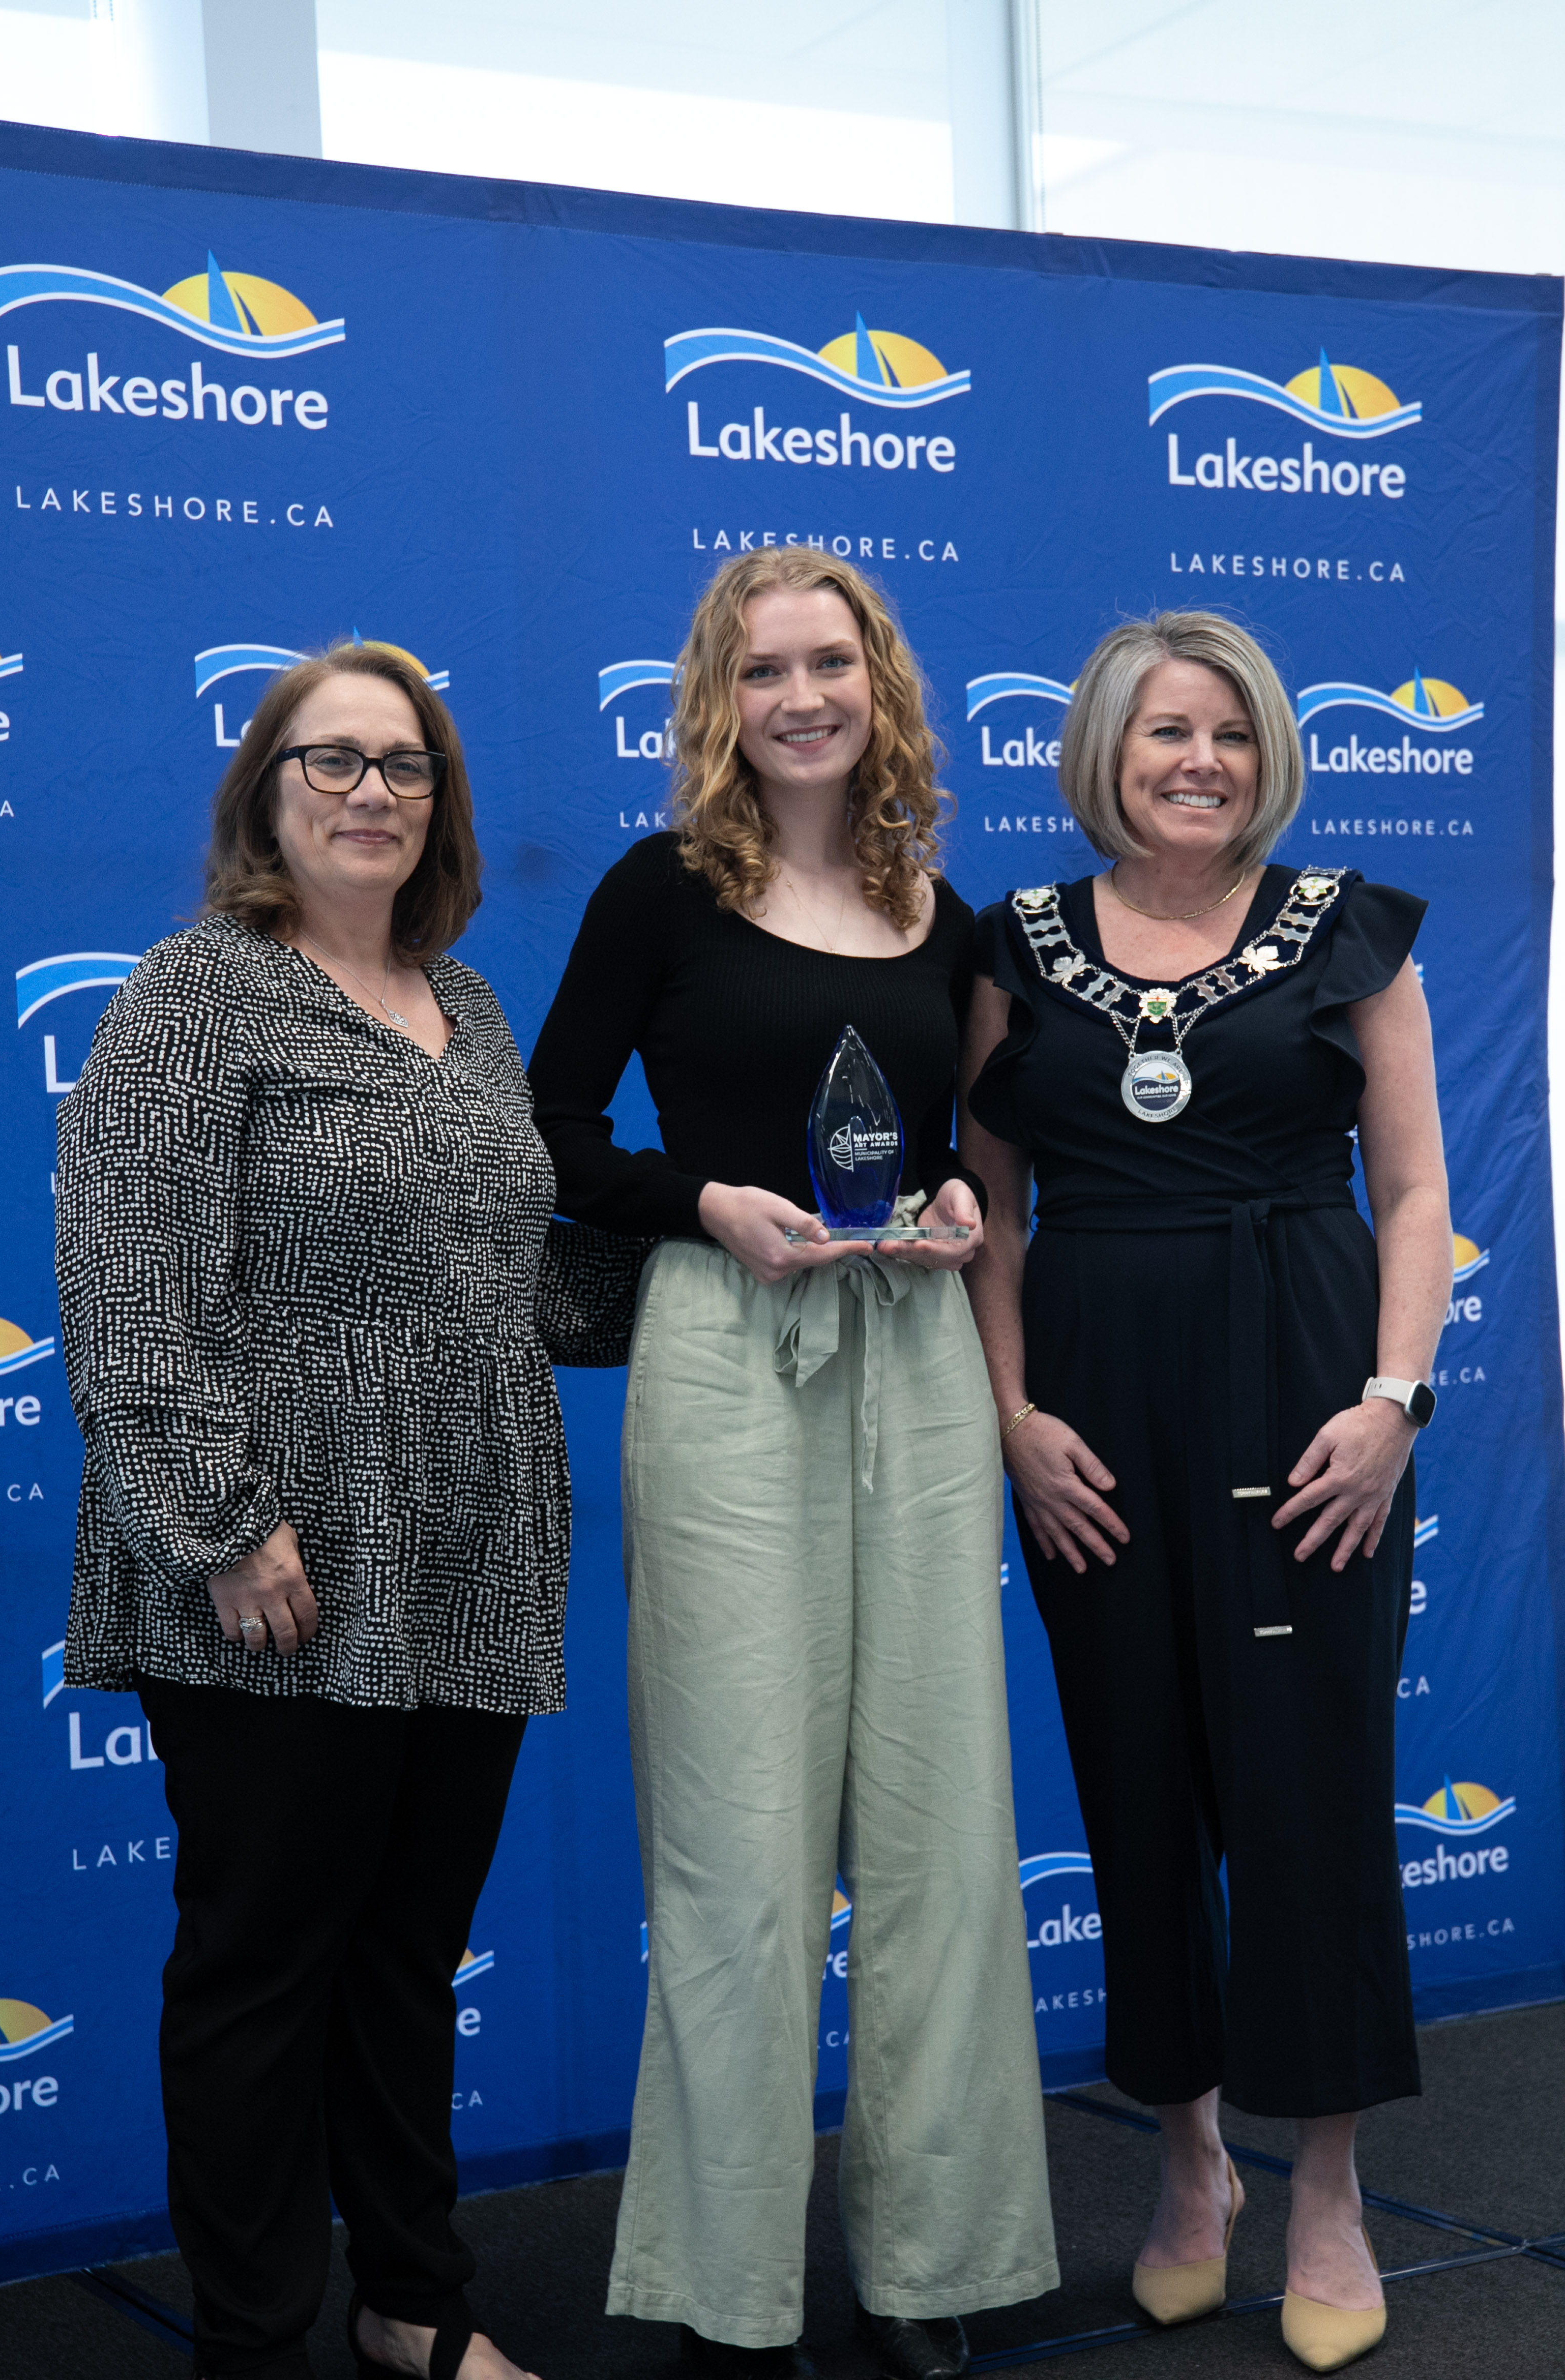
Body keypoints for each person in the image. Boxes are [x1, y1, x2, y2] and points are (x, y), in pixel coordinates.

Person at [55, 643, 639, 2380]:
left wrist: (751, 1274)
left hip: (466, 1550)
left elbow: (505, 1288)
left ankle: (413, 2304)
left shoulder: (468, 1011)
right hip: (275, 1565)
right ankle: (251, 2340)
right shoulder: (194, 991)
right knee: (261, 1975)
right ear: (266, 791)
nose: (372, 791)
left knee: (404, 1961)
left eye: (405, 764)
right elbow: (121, 1280)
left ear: (440, 801)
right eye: (333, 761)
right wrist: (224, 1525)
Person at [528, 549, 1057, 2380]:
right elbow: (555, 1127)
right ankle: (729, 2287)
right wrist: (703, 1205)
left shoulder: (943, 908)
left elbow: (984, 1160)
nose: (804, 697)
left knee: (934, 1831)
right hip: (726, 1355)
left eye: (833, 663)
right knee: (739, 1842)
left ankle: (927, 2267)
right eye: (766, 672)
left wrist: (948, 1204)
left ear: (881, 684)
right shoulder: (660, 892)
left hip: (912, 1359)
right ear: (719, 701)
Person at [959, 610, 1451, 2374]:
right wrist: (1011, 1417)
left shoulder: (1351, 933)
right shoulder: (1010, 945)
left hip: (1310, 1388)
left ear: (1270, 758)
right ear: (1107, 748)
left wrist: (1393, 1402)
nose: (1200, 763)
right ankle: (1186, 2167)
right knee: (1139, 1777)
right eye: (1167, 731)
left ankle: (1326, 2183)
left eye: (1231, 736)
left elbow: (1410, 1195)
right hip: (1094, 1416)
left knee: (1311, 1783)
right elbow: (989, 1214)